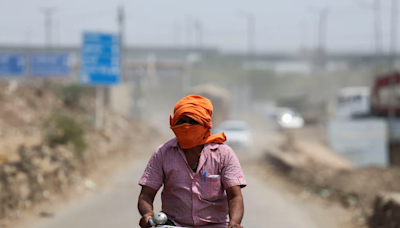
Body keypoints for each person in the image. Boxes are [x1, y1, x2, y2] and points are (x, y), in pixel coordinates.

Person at [138, 95, 246, 228]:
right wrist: (148, 215)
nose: (186, 126)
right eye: (182, 122)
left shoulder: (224, 154)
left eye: (192, 121)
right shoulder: (162, 153)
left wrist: (234, 223)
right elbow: (146, 194)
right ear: (174, 124)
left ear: (205, 124)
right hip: (173, 225)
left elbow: (234, 196)